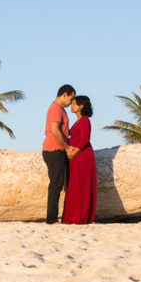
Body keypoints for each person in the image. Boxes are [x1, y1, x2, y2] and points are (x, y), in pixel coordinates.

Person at [42, 84, 78, 224]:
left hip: (56, 150)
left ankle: (56, 216)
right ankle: (51, 219)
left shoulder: (59, 109)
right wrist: (67, 147)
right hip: (54, 150)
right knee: (56, 185)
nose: (71, 102)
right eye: (71, 98)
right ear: (64, 94)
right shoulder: (56, 108)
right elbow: (55, 130)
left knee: (58, 184)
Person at [62, 95, 97, 224]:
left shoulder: (85, 120)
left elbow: (85, 139)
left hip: (81, 155)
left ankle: (79, 216)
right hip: (75, 157)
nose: (71, 105)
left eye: (74, 104)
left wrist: (74, 153)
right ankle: (73, 216)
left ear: (81, 106)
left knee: (80, 185)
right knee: (74, 185)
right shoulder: (79, 121)